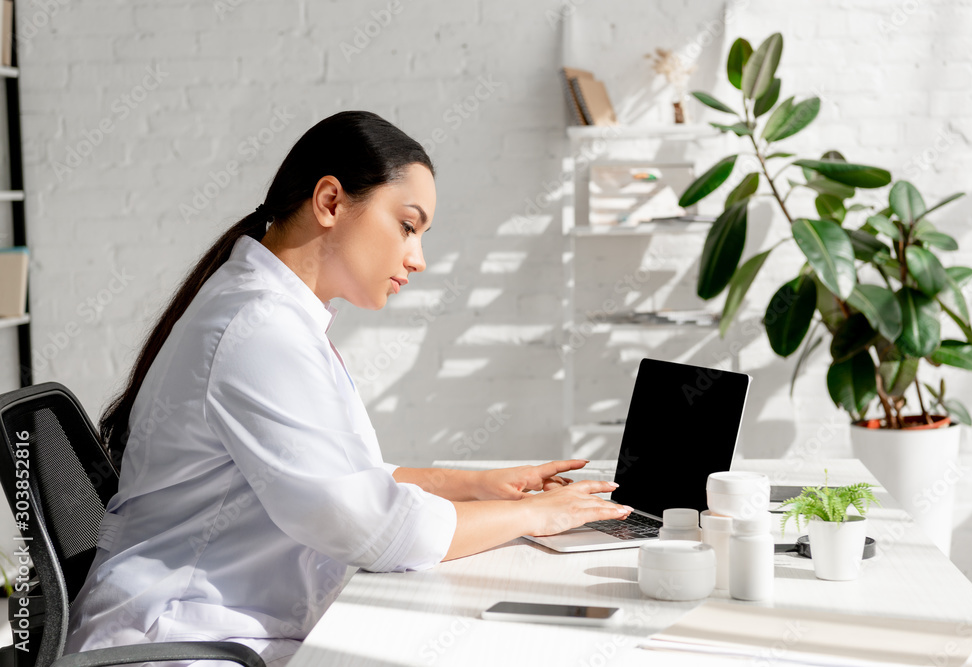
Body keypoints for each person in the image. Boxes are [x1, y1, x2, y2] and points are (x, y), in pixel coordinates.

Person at [64, 110, 632, 666]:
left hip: (220, 629)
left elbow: (338, 478)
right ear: (331, 201)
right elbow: (369, 526)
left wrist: (479, 485)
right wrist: (538, 517)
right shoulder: (259, 329)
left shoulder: (270, 313)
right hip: (180, 639)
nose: (418, 259)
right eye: (407, 226)